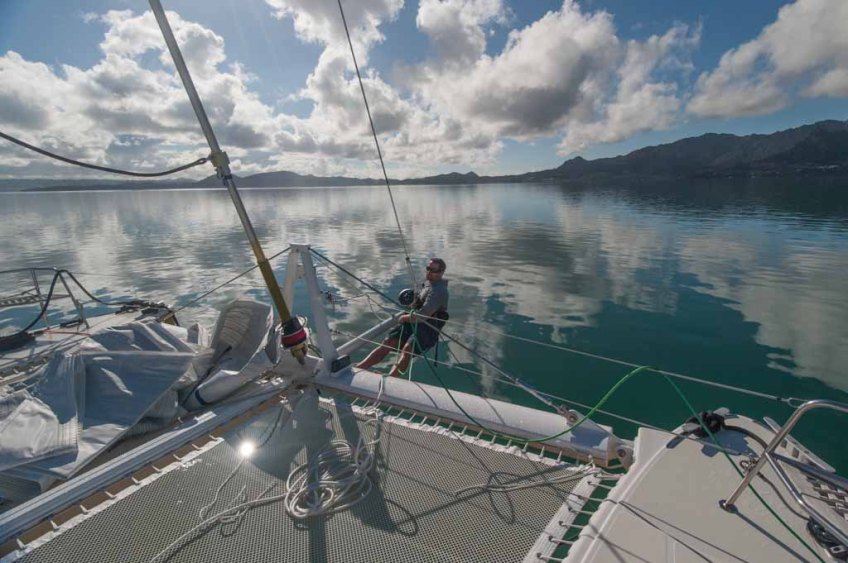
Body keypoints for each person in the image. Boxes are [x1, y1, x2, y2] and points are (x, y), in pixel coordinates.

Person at [356, 258, 449, 377]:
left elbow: (421, 316)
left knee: (407, 349)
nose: (429, 272)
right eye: (428, 268)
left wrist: (403, 318)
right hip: (414, 320)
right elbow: (418, 304)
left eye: (433, 270)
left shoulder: (440, 290)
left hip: (428, 326)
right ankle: (359, 368)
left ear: (441, 272)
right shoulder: (427, 283)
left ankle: (391, 378)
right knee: (389, 342)